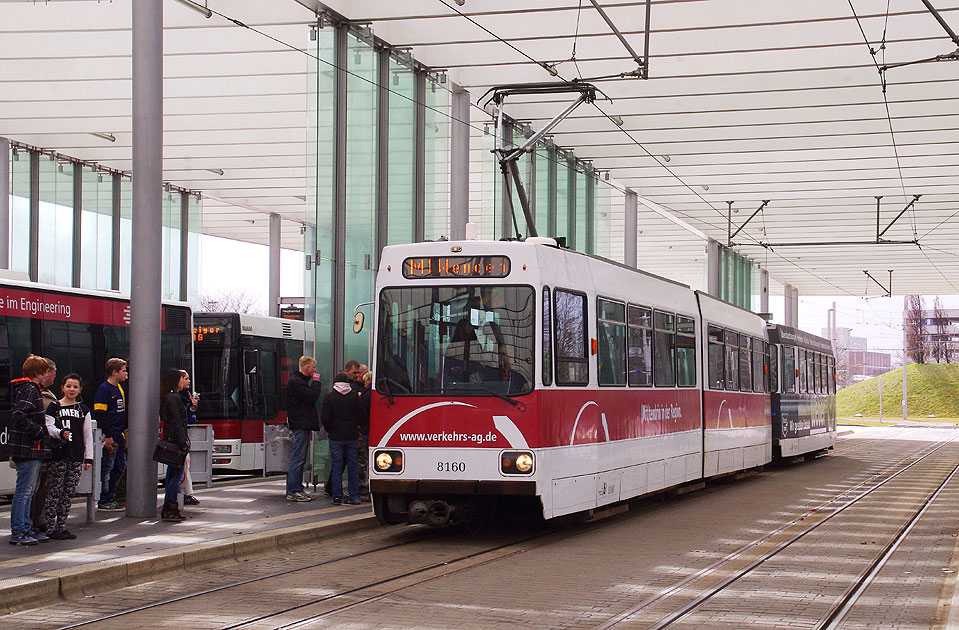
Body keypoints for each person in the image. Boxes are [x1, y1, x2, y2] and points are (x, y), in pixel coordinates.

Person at [41, 373, 93, 540]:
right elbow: (48, 427)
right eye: (68, 386)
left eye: (75, 387)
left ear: (80, 389)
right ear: (62, 387)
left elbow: (87, 436)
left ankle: (61, 526)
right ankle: (50, 527)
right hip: (57, 455)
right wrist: (60, 433)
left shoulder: (83, 410)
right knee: (55, 491)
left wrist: (88, 458)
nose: (72, 389)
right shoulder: (54, 407)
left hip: (76, 456)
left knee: (69, 493)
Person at [8, 355, 52, 546]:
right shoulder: (29, 390)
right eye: (45, 371)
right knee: (24, 491)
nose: (48, 375)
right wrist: (38, 431)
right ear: (38, 373)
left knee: (27, 490)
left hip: (28, 447)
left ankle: (25, 527)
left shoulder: (26, 388)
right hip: (29, 447)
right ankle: (19, 530)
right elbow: (19, 415)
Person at [321, 372, 362, 505]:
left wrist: (330, 430)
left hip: (336, 436)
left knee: (337, 466)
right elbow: (361, 414)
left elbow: (325, 418)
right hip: (352, 435)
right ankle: (354, 496)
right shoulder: (354, 396)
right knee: (353, 466)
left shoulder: (329, 397)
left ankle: (337, 495)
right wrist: (356, 425)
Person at [285, 356, 322, 502]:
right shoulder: (297, 383)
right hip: (301, 424)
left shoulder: (298, 381)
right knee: (298, 458)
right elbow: (311, 396)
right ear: (307, 368)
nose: (315, 370)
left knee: (299, 457)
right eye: (313, 367)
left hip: (301, 423)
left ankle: (297, 488)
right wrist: (316, 383)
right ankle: (293, 490)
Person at [94, 358, 128, 512]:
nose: (126, 374)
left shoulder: (119, 388)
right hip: (111, 435)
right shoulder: (104, 390)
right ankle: (105, 498)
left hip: (119, 434)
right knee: (108, 467)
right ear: (115, 372)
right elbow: (100, 414)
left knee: (120, 466)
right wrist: (108, 435)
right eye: (123, 371)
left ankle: (111, 495)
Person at [29, 358, 58, 534]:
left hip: (46, 449)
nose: (54, 377)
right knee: (32, 488)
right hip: (36, 449)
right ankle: (29, 522)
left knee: (43, 486)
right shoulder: (34, 393)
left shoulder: (46, 394)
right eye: (53, 373)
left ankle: (38, 518)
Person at [159, 368, 190, 522]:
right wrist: (183, 442)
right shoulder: (173, 398)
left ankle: (169, 505)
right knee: (175, 476)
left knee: (173, 474)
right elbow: (177, 422)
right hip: (176, 442)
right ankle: (170, 505)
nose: (182, 381)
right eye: (180, 378)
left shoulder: (170, 397)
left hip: (173, 439)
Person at [177, 370, 200, 506]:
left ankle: (186, 493)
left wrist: (194, 405)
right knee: (183, 465)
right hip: (181, 435)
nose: (189, 381)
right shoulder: (177, 397)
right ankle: (186, 493)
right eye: (185, 379)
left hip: (186, 431)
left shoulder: (187, 394)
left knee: (185, 464)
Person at [358, 370, 372, 500]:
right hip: (375, 430)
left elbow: (361, 414)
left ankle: (367, 489)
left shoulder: (366, 396)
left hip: (366, 430)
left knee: (367, 460)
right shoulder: (378, 395)